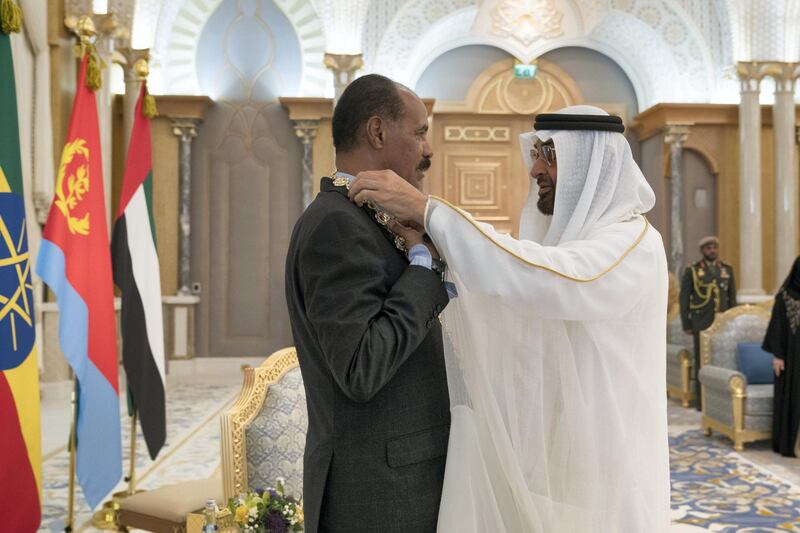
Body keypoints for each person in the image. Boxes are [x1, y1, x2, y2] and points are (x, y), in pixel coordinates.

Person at [349, 106, 670, 532]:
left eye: (550, 154)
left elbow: (550, 280)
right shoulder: (587, 243)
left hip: (603, 460)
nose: (535, 167)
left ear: (593, 166)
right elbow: (521, 308)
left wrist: (429, 211)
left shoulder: (633, 244)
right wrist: (435, 251)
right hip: (556, 456)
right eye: (535, 152)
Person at [284, 74, 452, 533]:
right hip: (380, 496)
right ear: (378, 132)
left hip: (397, 484)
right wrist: (422, 268)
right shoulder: (338, 226)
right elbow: (361, 367)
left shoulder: (367, 220)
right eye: (419, 132)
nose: (428, 149)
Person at [680, 236, 737, 410]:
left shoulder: (726, 270)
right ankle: (702, 401)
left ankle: (720, 401)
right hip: (701, 322)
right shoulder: (693, 271)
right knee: (702, 360)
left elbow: (732, 298)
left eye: (714, 247)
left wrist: (732, 320)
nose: (712, 250)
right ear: (702, 251)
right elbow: (684, 299)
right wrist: (687, 324)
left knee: (722, 360)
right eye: (708, 248)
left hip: (722, 324)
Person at [763, 256, 800, 457]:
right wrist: (778, 355)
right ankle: (790, 444)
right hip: (791, 359)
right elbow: (777, 328)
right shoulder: (784, 297)